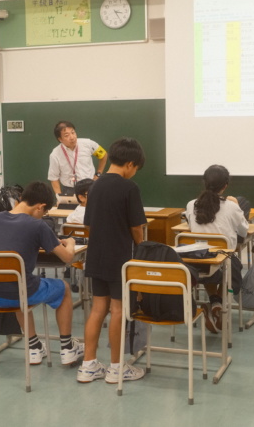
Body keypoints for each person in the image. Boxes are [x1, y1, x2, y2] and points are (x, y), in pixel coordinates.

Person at [0, 181, 85, 366]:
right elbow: (68, 258)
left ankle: (34, 347)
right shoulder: (38, 226)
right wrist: (69, 241)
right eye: (45, 213)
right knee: (64, 288)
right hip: (18, 294)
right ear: (41, 207)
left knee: (20, 284)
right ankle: (67, 347)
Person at [77, 137, 147, 384]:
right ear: (129, 164)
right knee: (117, 310)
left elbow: (88, 224)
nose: (134, 172)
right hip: (120, 258)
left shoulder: (94, 186)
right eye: (136, 168)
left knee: (98, 309)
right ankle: (117, 368)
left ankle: (88, 365)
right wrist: (142, 249)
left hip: (96, 255)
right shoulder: (130, 188)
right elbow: (136, 228)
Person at [185, 164, 248, 333]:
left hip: (198, 261)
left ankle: (213, 303)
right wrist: (237, 205)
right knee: (230, 266)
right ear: (225, 185)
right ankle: (217, 303)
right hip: (224, 262)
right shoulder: (232, 206)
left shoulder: (191, 205)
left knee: (210, 265)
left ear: (204, 182)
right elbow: (244, 230)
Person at [48, 121, 107, 196]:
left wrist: (98, 174)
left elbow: (103, 155)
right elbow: (54, 178)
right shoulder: (55, 154)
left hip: (91, 186)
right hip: (69, 190)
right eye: (66, 135)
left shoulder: (88, 144)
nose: (72, 137)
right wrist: (59, 197)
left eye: (73, 132)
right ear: (60, 139)